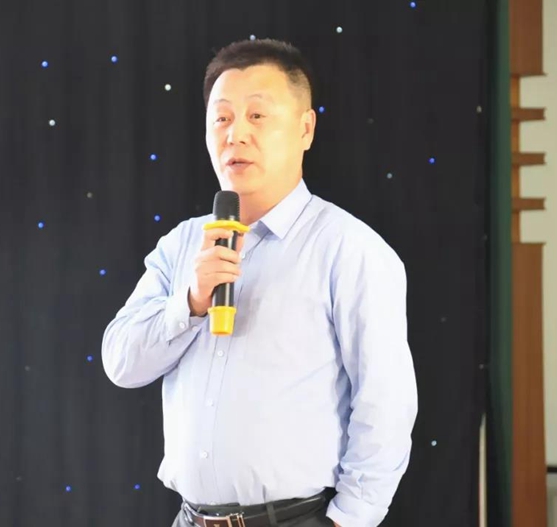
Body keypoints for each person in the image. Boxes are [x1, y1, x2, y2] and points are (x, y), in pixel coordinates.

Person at [102, 38, 418, 527]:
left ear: (305, 128)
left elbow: (385, 403)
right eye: (222, 118)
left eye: (257, 116)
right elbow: (121, 362)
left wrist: (349, 520)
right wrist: (191, 302)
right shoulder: (184, 244)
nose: (236, 135)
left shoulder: (349, 249)